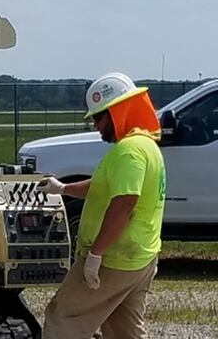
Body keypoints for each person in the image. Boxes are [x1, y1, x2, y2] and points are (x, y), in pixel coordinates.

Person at [41, 72, 166, 339]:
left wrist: (96, 254)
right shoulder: (146, 146)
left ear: (116, 111)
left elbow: (124, 204)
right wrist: (62, 188)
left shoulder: (129, 151)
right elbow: (104, 186)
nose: (96, 125)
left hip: (114, 258)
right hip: (140, 257)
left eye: (99, 117)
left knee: (62, 317)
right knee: (123, 329)